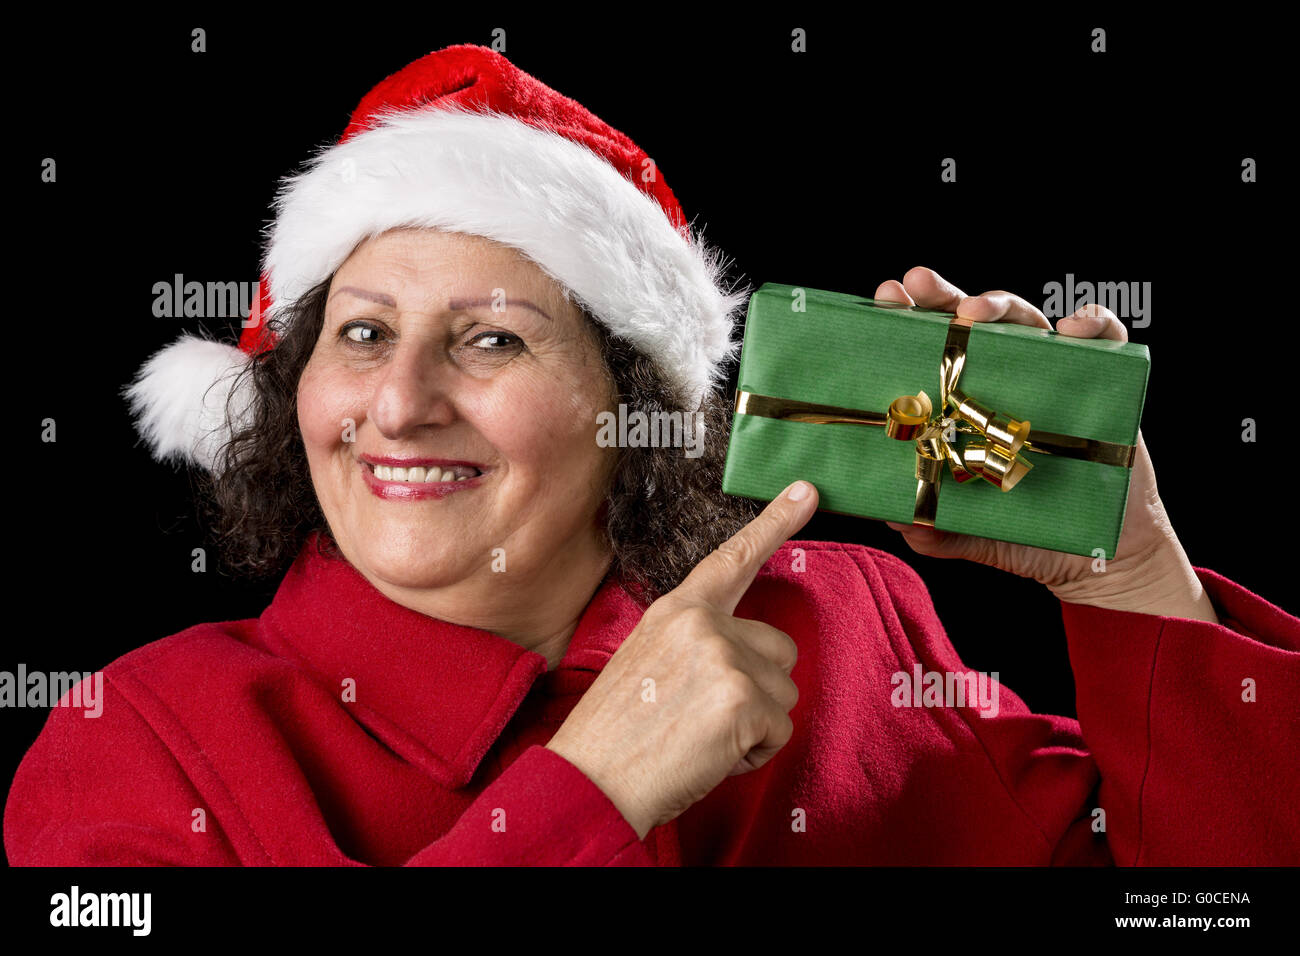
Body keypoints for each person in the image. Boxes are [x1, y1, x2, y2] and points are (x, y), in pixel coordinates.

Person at [5, 45, 1297, 866]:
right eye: (358, 334)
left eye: (493, 342)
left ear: (634, 400)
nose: (396, 404)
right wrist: (592, 791)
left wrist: (1129, 583)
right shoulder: (145, 741)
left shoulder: (853, 619)